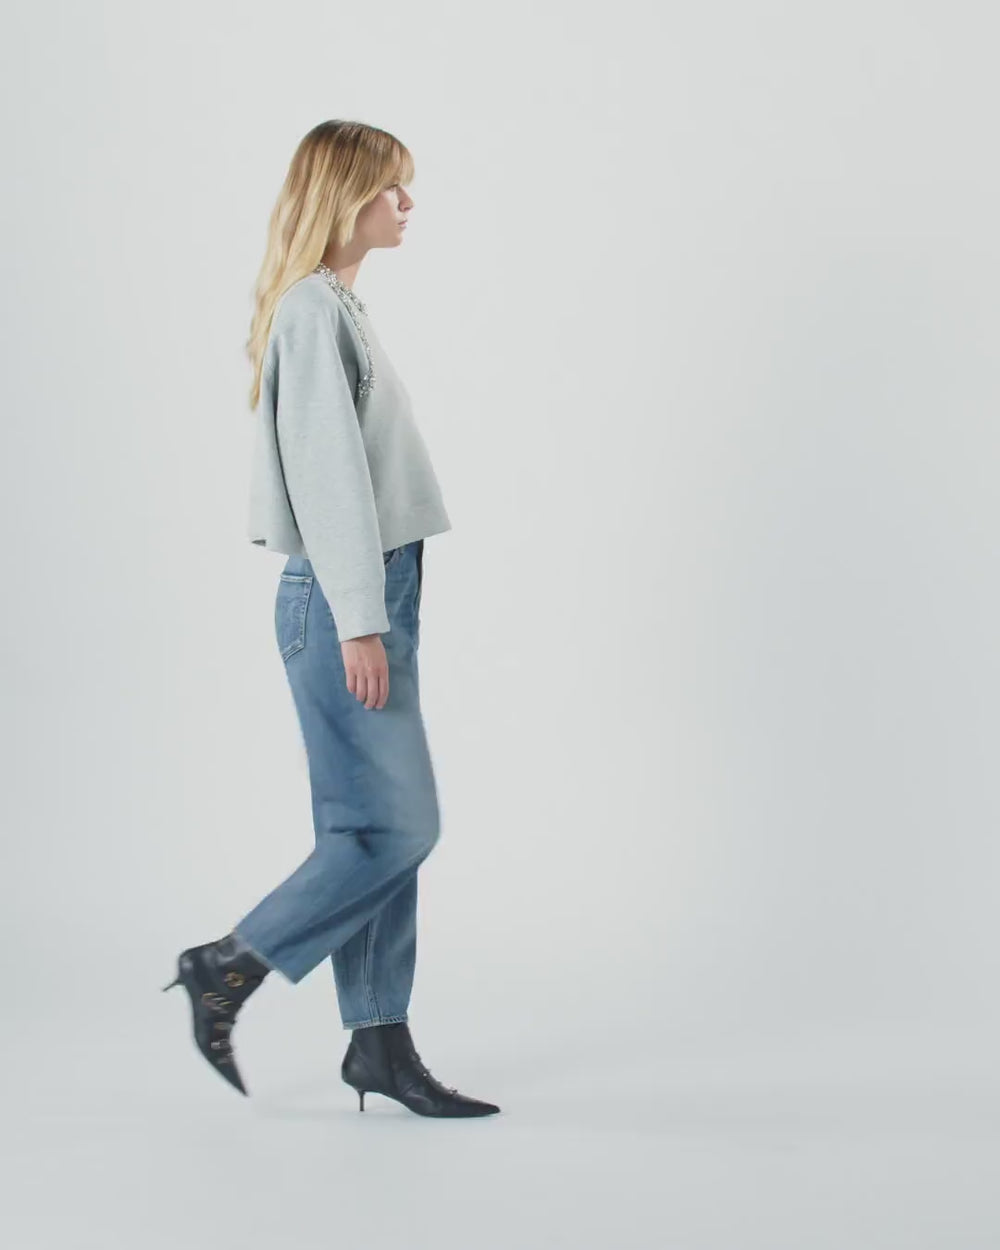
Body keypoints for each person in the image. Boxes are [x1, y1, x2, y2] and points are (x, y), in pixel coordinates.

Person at [163, 120, 500, 1119]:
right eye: (393, 187)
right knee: (398, 825)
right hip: (347, 594)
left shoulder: (335, 304)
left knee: (372, 829)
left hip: (372, 587)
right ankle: (230, 963)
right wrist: (361, 621)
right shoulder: (313, 311)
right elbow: (330, 479)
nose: (408, 204)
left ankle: (379, 1044)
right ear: (347, 196)